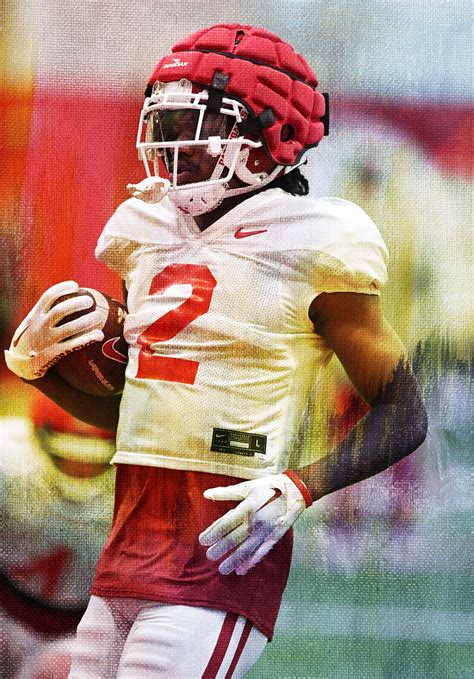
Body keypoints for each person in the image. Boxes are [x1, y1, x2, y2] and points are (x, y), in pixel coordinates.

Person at [4, 24, 427, 678]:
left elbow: (405, 411)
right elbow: (136, 416)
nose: (173, 143)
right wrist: (36, 372)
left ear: (268, 135)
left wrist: (302, 485)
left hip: (220, 553)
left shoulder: (317, 238)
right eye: (165, 122)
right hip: (127, 546)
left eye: (193, 124)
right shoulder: (143, 230)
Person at [0, 393, 115, 678]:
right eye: (67, 453)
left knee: (60, 670)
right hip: (6, 613)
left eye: (95, 458)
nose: (81, 469)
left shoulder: (143, 479)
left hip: (81, 629)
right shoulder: (7, 458)